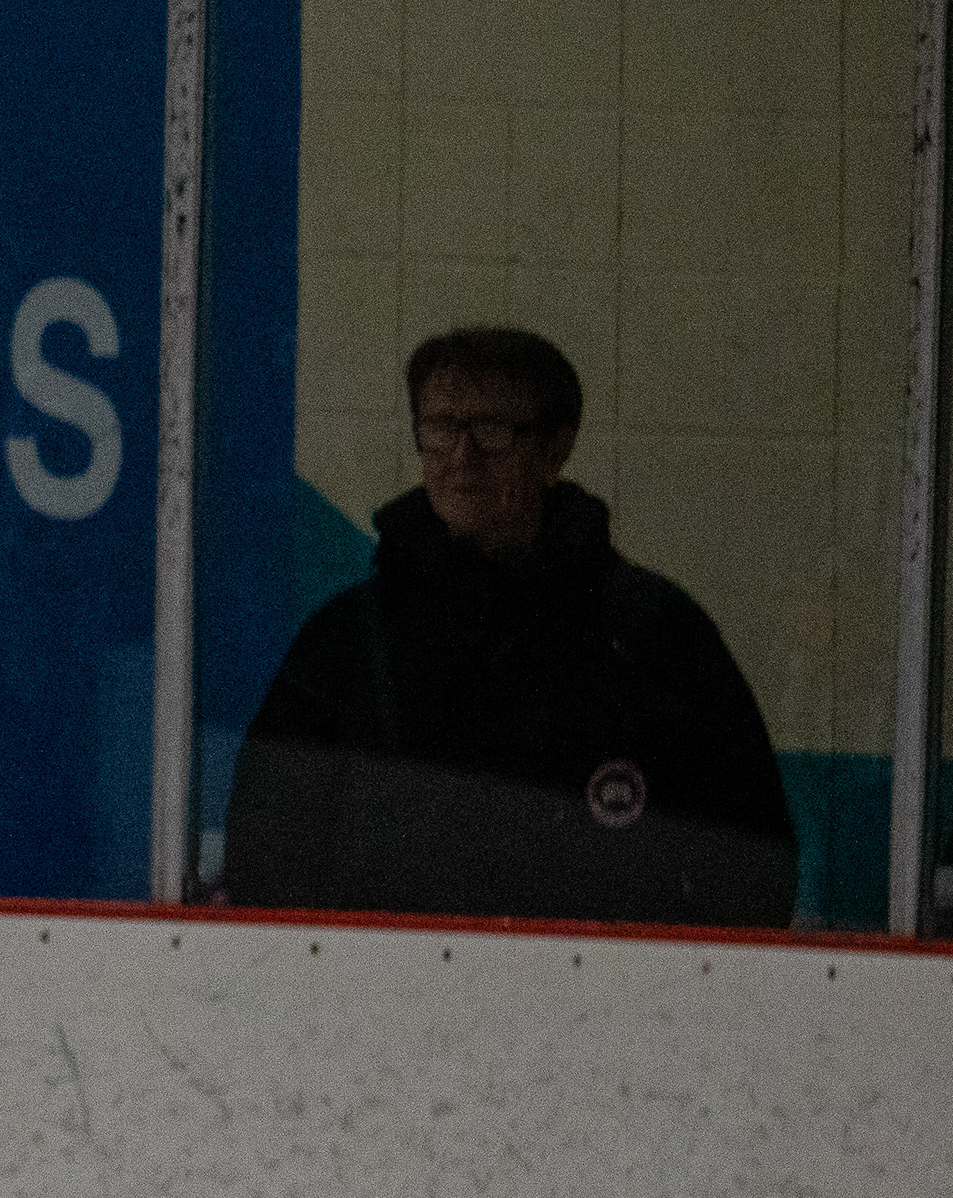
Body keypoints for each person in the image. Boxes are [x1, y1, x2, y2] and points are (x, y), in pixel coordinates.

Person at [228, 328, 797, 925]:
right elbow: (265, 856)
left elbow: (751, 871)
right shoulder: (346, 641)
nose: (461, 457)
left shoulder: (653, 635)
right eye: (441, 427)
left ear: (557, 449)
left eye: (494, 433)